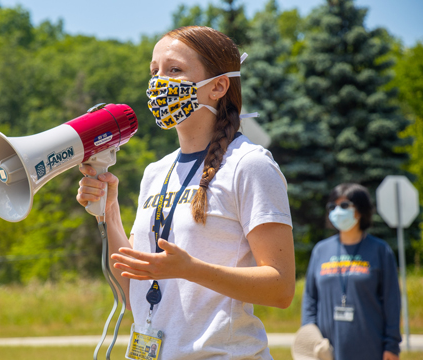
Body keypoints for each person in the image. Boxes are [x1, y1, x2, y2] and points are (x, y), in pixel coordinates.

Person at [77, 25, 295, 360]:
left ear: (218, 86)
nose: (158, 82)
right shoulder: (155, 172)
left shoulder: (250, 165)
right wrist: (108, 212)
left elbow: (280, 288)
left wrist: (189, 268)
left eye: (174, 70)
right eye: (154, 71)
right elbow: (133, 283)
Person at [301, 183, 401, 360]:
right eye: (333, 206)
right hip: (326, 351)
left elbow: (392, 301)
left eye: (345, 205)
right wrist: (309, 339)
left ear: (361, 210)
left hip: (370, 348)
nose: (337, 211)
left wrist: (391, 345)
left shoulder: (380, 250)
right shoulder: (320, 250)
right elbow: (310, 299)